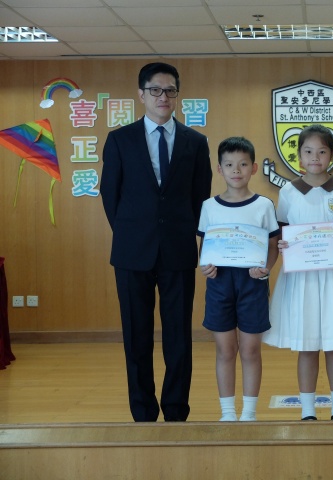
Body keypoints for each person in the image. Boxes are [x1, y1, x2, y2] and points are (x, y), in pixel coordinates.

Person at [101, 62, 213, 422]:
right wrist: (132, 232)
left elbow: (200, 197)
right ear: (141, 94)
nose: (163, 97)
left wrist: (182, 232)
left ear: (177, 95)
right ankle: (143, 413)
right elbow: (110, 195)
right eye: (155, 90)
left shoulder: (195, 142)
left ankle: (177, 411)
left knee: (178, 335)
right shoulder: (120, 140)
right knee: (136, 336)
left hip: (178, 250)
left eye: (170, 91)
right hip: (132, 252)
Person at [263, 124, 333, 421]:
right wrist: (284, 243)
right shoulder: (289, 191)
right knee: (308, 344)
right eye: (309, 151)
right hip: (302, 278)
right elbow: (282, 231)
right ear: (299, 156)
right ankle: (308, 410)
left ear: (331, 155)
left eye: (322, 151)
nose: (315, 157)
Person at [198, 137, 279, 422]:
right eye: (230, 164)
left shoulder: (264, 205)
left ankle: (249, 413)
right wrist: (205, 267)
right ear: (219, 169)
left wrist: (266, 268)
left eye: (243, 164)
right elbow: (205, 247)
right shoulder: (209, 206)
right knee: (225, 349)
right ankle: (228, 413)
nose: (236, 170)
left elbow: (272, 246)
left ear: (254, 168)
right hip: (219, 283)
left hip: (252, 283)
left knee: (250, 349)